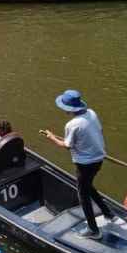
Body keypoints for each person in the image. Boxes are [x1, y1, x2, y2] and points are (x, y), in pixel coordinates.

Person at [41, 89, 117, 240]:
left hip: (85, 164)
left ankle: (94, 230)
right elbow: (98, 131)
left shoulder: (72, 125)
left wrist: (50, 137)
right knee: (87, 185)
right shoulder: (92, 113)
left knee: (82, 194)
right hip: (98, 159)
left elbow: (67, 145)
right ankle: (108, 212)